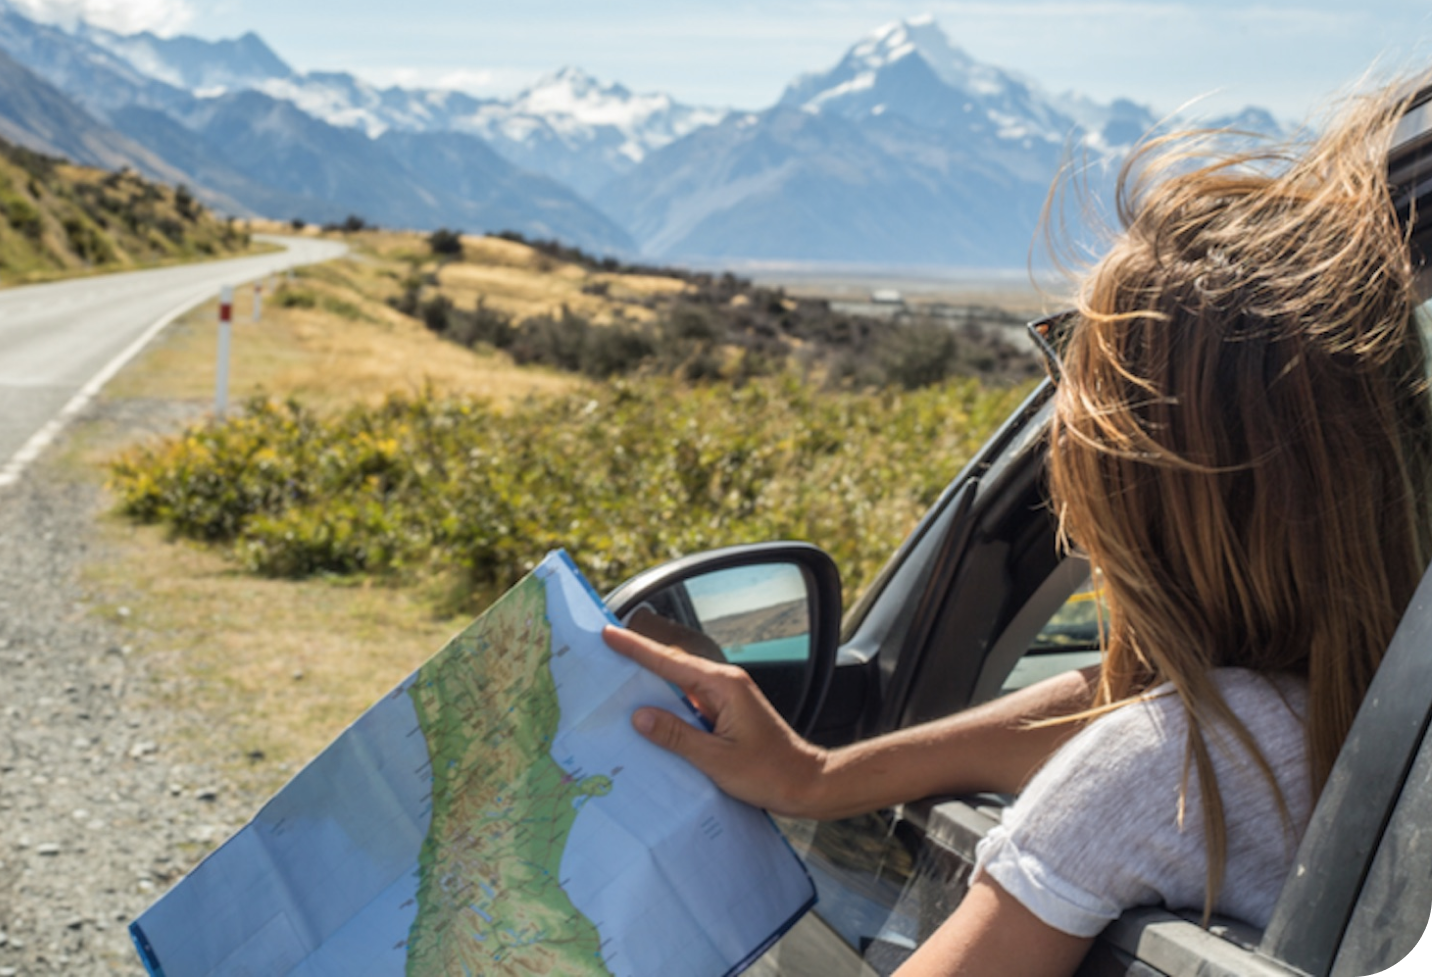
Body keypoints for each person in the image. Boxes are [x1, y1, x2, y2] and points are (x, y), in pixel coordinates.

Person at [606, 86, 1432, 977]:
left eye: (1073, 382)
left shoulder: (1158, 776)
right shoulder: (1364, 720)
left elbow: (1153, 743)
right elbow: (1131, 705)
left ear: (1133, 481)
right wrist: (815, 780)